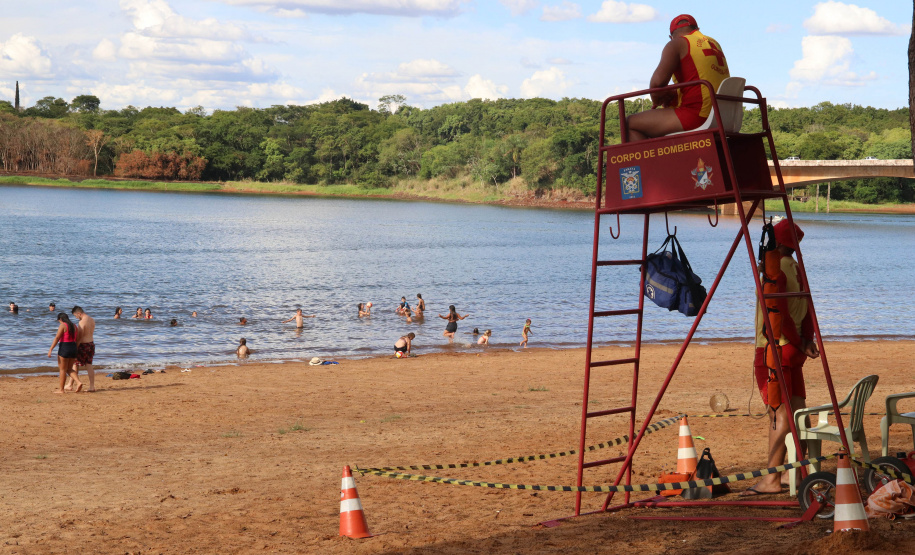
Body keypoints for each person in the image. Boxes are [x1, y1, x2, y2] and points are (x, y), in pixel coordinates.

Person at [741, 220, 819, 497]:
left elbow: (779, 314)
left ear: (778, 242)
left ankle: (771, 479)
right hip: (794, 349)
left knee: (778, 414)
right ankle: (793, 472)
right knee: (798, 410)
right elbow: (807, 309)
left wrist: (798, 342)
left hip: (775, 349)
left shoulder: (777, 269)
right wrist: (806, 341)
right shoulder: (798, 268)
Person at [626, 14, 730, 142]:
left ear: (671, 37)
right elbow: (703, 79)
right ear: (697, 29)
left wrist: (657, 100)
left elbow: (656, 84)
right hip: (722, 115)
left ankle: (650, 162)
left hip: (697, 115)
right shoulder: (714, 43)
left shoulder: (677, 43)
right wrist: (674, 93)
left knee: (629, 123)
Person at [48, 313, 82, 393]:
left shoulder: (63, 325)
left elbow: (57, 337)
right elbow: (77, 339)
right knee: (69, 369)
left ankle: (61, 390)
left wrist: (51, 349)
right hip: (73, 347)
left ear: (60, 319)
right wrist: (76, 350)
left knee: (62, 369)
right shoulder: (74, 326)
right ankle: (78, 382)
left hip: (65, 347)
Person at [67, 306, 97, 392]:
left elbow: (79, 338)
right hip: (91, 343)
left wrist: (75, 347)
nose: (76, 317)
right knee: (89, 364)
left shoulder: (82, 322)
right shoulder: (92, 320)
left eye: (76, 316)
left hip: (83, 345)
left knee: (75, 364)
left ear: (79, 313)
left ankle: (70, 384)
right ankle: (92, 386)